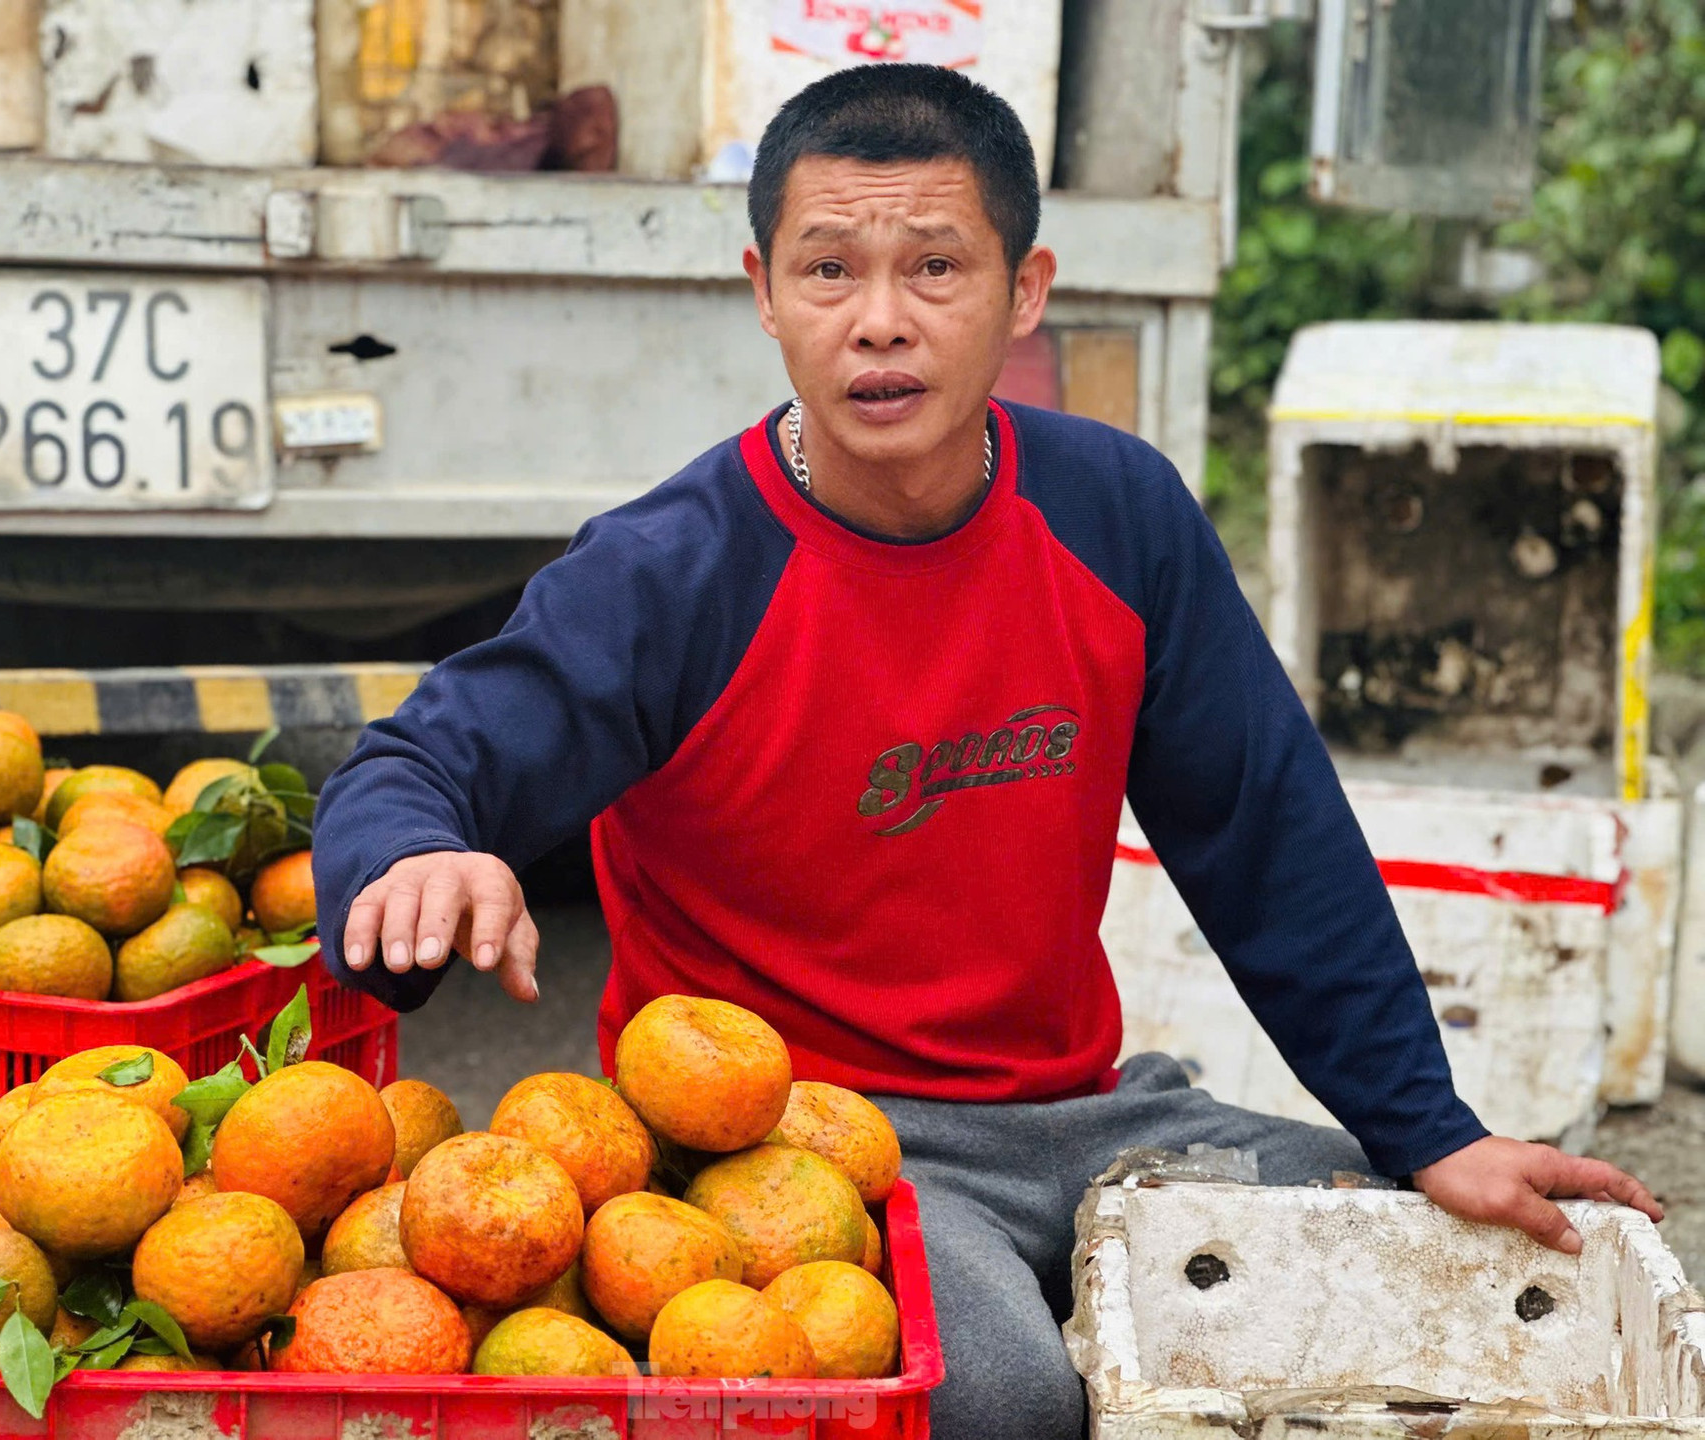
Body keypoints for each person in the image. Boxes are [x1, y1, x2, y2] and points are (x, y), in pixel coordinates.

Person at [312, 63, 1659, 1439]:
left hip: (1083, 1118)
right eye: (828, 270)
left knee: (1442, 1264)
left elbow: (1267, 836)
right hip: (802, 1151)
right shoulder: (673, 573)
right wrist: (413, 859)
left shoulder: (1115, 513)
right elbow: (414, 768)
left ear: (1024, 291)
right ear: (764, 294)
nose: (879, 323)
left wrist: (1430, 1128)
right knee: (1003, 1398)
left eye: (936, 267)